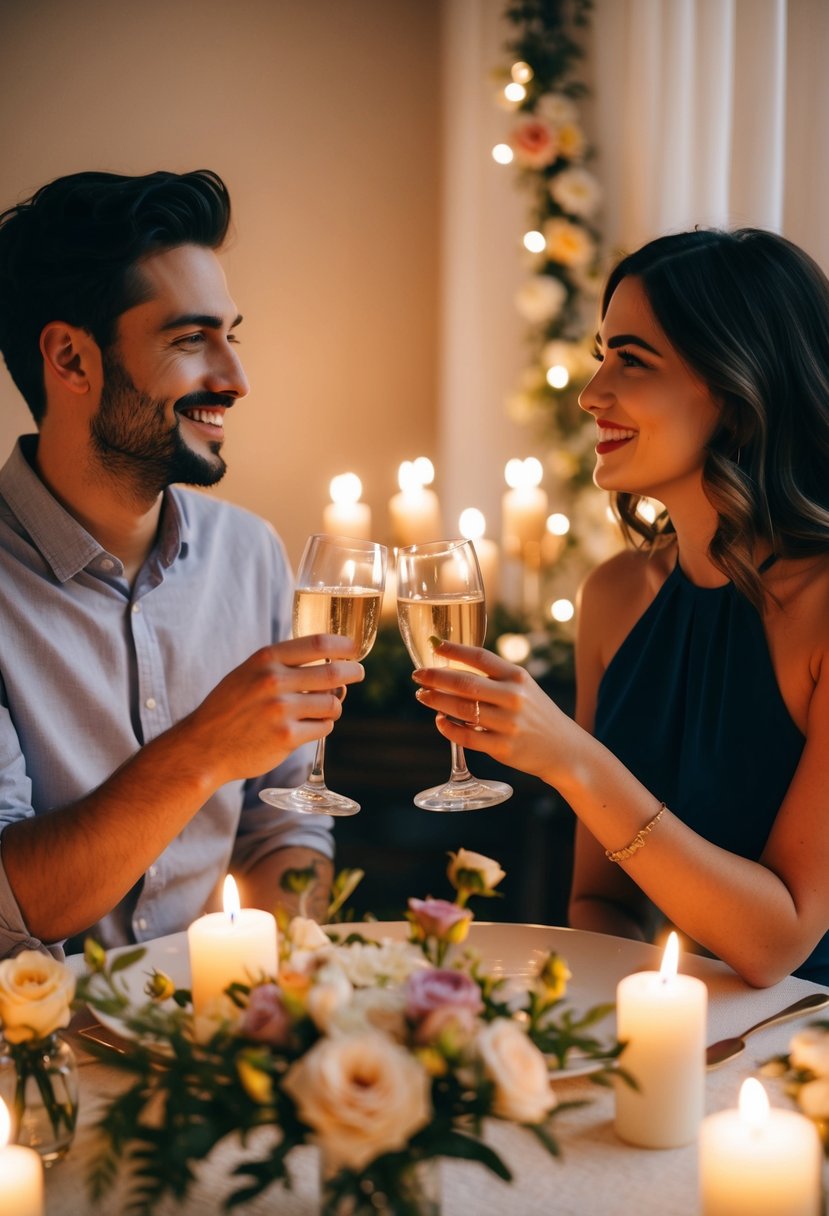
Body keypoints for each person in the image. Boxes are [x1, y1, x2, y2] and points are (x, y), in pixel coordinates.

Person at [412, 227, 829, 988]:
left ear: (739, 391)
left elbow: (779, 940)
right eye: (600, 354)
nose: (590, 393)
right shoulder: (612, 596)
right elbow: (600, 899)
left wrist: (571, 759)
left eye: (630, 360)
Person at [0, 168, 364, 959]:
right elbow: (10, 900)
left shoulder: (251, 553)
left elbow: (286, 821)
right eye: (191, 339)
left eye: (231, 336)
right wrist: (202, 752)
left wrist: (267, 996)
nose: (234, 379)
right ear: (70, 358)